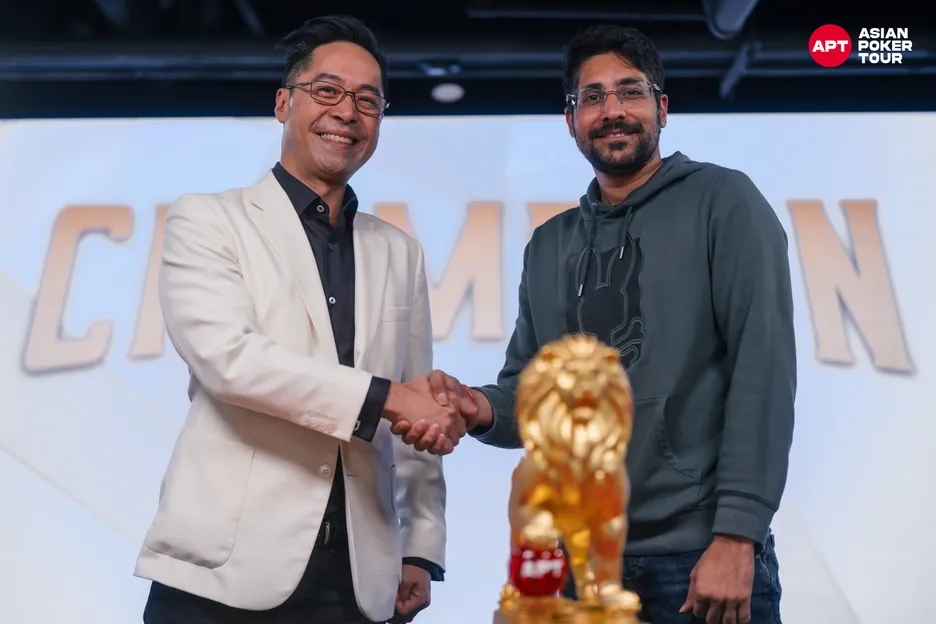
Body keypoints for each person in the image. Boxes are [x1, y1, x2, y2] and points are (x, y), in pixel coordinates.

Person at [402, 23, 795, 624]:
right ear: (570, 120)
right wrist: (475, 406)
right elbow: (532, 399)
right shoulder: (549, 244)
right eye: (593, 97)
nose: (613, 111)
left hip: (697, 560)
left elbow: (763, 375)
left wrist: (738, 537)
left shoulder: (725, 201)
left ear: (662, 108)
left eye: (630, 92)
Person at [135, 15, 471, 624]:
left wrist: (421, 549)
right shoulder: (209, 220)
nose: (348, 111)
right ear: (284, 102)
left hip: (361, 580)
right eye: (328, 91)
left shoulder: (401, 251)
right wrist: (388, 397)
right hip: (222, 574)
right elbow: (231, 363)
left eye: (368, 100)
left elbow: (417, 400)